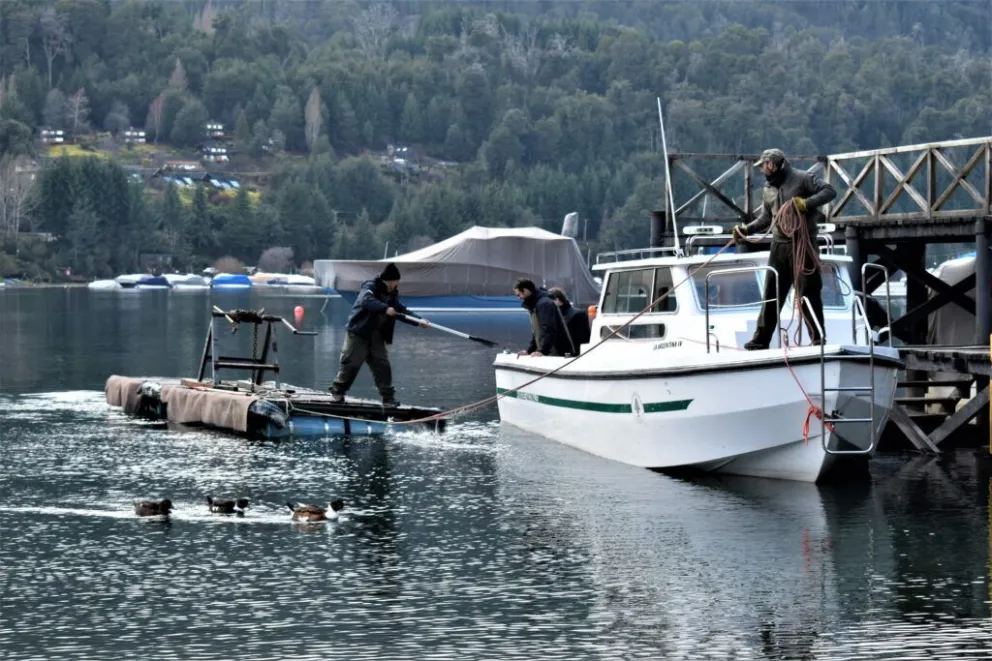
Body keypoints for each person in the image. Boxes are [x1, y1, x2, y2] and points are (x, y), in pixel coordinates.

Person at [732, 148, 837, 350]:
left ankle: (817, 339)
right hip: (779, 246)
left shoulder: (803, 178)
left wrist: (805, 204)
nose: (762, 169)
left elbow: (829, 191)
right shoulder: (768, 189)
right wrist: (746, 229)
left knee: (809, 293)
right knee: (772, 293)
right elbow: (766, 218)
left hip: (803, 244)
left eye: (764, 165)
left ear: (773, 164)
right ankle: (761, 339)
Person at [329, 263, 427, 407]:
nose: (397, 284)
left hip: (377, 336)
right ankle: (338, 392)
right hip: (358, 333)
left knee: (382, 366)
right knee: (351, 363)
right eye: (396, 281)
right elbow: (366, 301)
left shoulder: (392, 295)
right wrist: (385, 308)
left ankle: (388, 399)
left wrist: (418, 320)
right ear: (390, 280)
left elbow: (401, 311)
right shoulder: (369, 287)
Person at [514, 278, 567, 357]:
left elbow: (549, 330)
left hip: (554, 353)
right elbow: (536, 333)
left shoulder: (544, 304)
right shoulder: (535, 305)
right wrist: (529, 351)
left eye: (519, 295)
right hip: (549, 352)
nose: (519, 298)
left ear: (525, 290)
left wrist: (542, 351)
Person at [548, 287, 592, 356]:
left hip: (573, 355)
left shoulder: (577, 315)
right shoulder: (554, 315)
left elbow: (584, 338)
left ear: (556, 300)